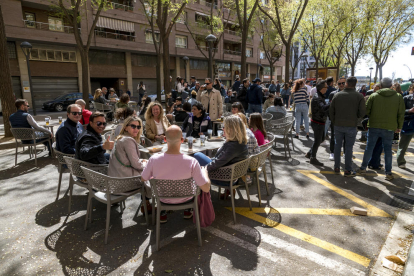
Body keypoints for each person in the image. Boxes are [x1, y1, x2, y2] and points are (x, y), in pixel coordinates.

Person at [141, 125, 211, 223]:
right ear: (182, 140)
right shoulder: (192, 161)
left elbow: (143, 178)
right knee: (196, 180)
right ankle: (187, 210)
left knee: (157, 180)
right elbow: (206, 188)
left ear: (165, 139)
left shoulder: (153, 159)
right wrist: (205, 173)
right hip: (187, 198)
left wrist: (146, 166)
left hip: (163, 199)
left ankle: (162, 213)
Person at [356, 77, 405, 180]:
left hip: (374, 125)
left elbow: (367, 111)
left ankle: (363, 168)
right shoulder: (398, 97)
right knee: (387, 150)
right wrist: (399, 126)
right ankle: (388, 173)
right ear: (391, 86)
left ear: (381, 86)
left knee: (369, 148)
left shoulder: (374, 96)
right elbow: (400, 114)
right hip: (389, 127)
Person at [193, 115, 249, 197]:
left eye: (224, 127)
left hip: (224, 178)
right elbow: (222, 160)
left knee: (196, 156)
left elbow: (216, 164)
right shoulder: (240, 142)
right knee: (198, 158)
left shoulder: (232, 146)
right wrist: (211, 160)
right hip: (232, 174)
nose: (222, 129)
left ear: (232, 130)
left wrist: (201, 170)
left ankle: (195, 196)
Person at [330, 76, 366, 177]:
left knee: (337, 146)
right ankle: (347, 170)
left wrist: (334, 121)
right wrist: (356, 120)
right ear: (355, 84)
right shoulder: (359, 96)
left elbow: (331, 111)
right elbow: (362, 112)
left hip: (338, 124)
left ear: (346, 83)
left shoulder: (337, 95)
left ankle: (336, 167)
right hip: (351, 125)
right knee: (349, 148)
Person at [108, 116, 147, 184]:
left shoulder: (120, 139)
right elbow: (136, 165)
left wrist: (142, 161)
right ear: (125, 127)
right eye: (133, 126)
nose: (136, 129)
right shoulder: (128, 140)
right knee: (155, 171)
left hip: (115, 178)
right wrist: (146, 164)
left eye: (138, 127)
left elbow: (126, 160)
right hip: (125, 181)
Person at [305, 80, 330, 166]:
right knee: (317, 140)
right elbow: (323, 108)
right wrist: (331, 103)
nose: (327, 88)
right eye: (326, 87)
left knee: (320, 139)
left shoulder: (320, 96)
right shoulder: (317, 97)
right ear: (322, 88)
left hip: (320, 122)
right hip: (317, 122)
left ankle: (309, 153)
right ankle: (313, 158)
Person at [327, 77, 346, 161]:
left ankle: (346, 153)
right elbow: (330, 108)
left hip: (347, 120)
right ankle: (332, 152)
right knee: (333, 137)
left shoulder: (351, 94)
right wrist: (332, 118)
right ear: (337, 84)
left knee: (346, 138)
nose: (341, 85)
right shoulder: (332, 94)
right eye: (339, 83)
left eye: (343, 83)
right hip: (335, 120)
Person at [397, 87, 414, 169]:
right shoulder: (406, 98)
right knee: (403, 145)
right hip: (408, 124)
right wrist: (409, 111)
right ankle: (401, 161)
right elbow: (399, 111)